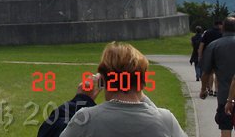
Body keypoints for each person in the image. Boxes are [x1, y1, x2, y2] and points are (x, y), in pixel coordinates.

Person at [52, 42, 186, 136]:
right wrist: (140, 92)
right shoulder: (165, 120)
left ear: (103, 80)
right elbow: (154, 116)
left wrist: (81, 99)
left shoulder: (86, 119)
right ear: (142, 82)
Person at [201, 17, 235, 136]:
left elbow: (206, 72)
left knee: (225, 128)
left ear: (223, 28)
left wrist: (203, 89)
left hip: (223, 96)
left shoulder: (214, 46)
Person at [202, 19, 225, 97]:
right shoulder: (222, 33)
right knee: (218, 74)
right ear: (220, 25)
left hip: (209, 54)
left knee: (210, 73)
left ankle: (210, 89)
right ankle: (216, 90)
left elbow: (202, 44)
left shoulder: (207, 32)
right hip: (220, 55)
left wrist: (200, 55)